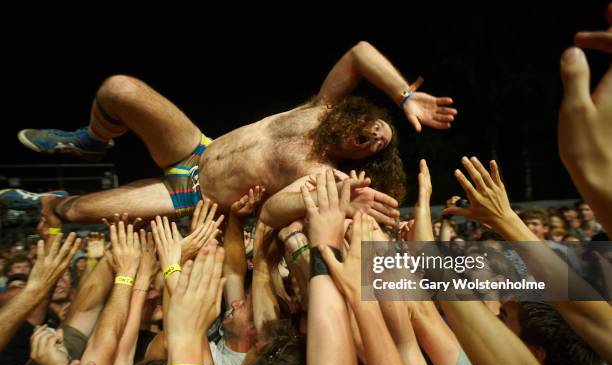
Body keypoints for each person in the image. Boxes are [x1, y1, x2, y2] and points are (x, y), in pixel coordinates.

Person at [1, 41, 457, 228]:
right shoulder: (320, 109)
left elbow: (275, 210)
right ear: (354, 116)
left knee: (76, 210)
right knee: (118, 90)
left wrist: (342, 204)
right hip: (197, 147)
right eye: (376, 128)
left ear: (364, 160)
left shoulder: (327, 177)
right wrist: (403, 97)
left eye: (379, 145)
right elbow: (359, 52)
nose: (376, 137)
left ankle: (41, 202)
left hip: (185, 196)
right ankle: (91, 142)